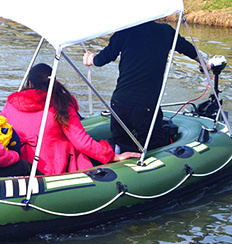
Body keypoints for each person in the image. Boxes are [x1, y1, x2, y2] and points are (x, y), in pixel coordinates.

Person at [83, 21, 211, 153]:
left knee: (120, 147)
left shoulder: (124, 31)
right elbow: (187, 48)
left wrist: (91, 59)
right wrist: (203, 63)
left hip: (119, 103)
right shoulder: (166, 31)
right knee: (155, 149)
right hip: (146, 106)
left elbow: (103, 59)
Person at [1, 63, 140, 176]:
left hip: (19, 166)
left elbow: (2, 135)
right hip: (53, 171)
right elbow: (81, 142)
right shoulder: (61, 104)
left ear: (30, 83)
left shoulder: (11, 103)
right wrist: (113, 156)